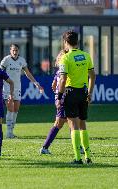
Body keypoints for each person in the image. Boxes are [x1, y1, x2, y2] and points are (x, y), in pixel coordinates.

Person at [57, 30, 96, 164]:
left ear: (66, 42)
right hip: (83, 92)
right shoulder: (86, 55)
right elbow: (92, 75)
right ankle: (88, 156)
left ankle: (77, 158)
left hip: (71, 93)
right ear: (77, 42)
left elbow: (62, 79)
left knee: (73, 124)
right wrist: (90, 93)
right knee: (83, 123)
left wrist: (59, 97)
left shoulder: (65, 58)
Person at [0, 44, 44, 138]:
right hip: (7, 87)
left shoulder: (22, 60)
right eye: (13, 50)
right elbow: (0, 73)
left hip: (17, 88)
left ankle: (11, 132)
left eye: (16, 50)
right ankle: (8, 132)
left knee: (16, 110)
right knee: (10, 108)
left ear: (18, 51)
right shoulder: (6, 60)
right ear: (10, 51)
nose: (15, 52)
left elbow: (27, 73)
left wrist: (36, 83)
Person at [39, 50, 67, 154]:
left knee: (71, 122)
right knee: (59, 123)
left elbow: (53, 85)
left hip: (60, 98)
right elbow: (58, 83)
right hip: (63, 99)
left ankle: (79, 147)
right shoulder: (65, 71)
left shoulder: (58, 71)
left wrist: (56, 93)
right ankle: (44, 147)